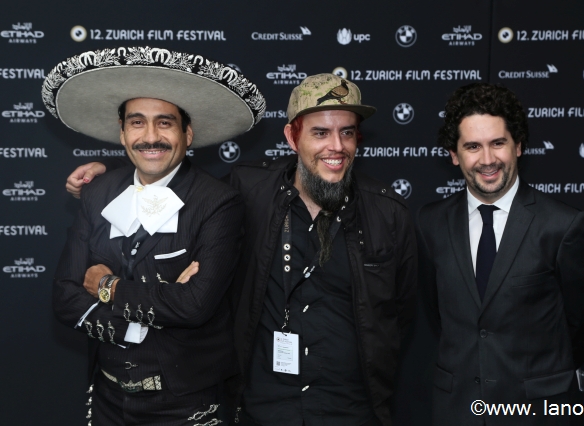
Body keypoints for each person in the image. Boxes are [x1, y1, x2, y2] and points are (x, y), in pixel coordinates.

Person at [66, 73, 418, 426]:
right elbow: (175, 183)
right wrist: (110, 178)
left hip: (352, 405)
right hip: (263, 402)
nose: (336, 146)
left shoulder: (389, 212)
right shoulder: (248, 188)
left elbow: (399, 312)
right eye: (320, 133)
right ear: (292, 137)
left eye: (347, 132)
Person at [47, 46, 265, 425]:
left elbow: (194, 306)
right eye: (137, 122)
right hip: (108, 394)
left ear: (187, 133)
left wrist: (108, 287)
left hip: (185, 401)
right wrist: (141, 323)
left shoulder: (218, 202)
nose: (151, 137)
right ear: (122, 132)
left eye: (165, 123)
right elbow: (65, 296)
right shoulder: (98, 192)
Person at [417, 83, 584, 425]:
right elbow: (437, 312)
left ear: (518, 146)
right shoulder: (430, 223)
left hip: (535, 413)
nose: (487, 160)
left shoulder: (562, 226)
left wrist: (540, 376)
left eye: (498, 143)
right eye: (472, 146)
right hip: (457, 411)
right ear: (454, 154)